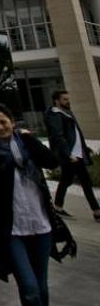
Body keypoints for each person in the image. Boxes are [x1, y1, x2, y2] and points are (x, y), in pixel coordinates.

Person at [0, 102, 63, 306]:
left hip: (40, 222)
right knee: (29, 288)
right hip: (11, 228)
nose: (0, 127)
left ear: (12, 122)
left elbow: (52, 162)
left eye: (3, 122)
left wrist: (30, 138)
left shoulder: (27, 143)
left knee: (41, 285)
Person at [43, 90, 100, 221]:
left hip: (76, 154)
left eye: (68, 99)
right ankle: (97, 212)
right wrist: (68, 154)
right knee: (85, 182)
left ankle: (57, 207)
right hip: (71, 156)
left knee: (66, 180)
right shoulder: (55, 115)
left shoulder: (66, 113)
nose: (68, 101)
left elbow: (75, 133)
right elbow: (59, 136)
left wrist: (85, 148)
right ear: (56, 101)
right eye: (65, 99)